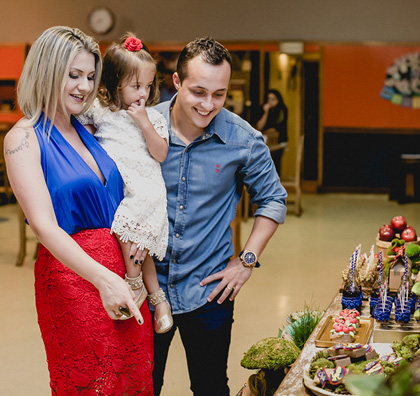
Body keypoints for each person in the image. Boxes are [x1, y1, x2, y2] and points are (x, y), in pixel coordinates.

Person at [4, 26, 152, 394]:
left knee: (133, 379)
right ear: (46, 70)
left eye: (89, 76)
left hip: (123, 276)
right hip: (74, 280)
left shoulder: (88, 127)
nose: (84, 86)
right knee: (93, 383)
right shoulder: (23, 138)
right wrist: (104, 279)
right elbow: (44, 227)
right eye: (73, 75)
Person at [150, 37, 288, 396]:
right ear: (176, 83)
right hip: (145, 288)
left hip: (208, 290)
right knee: (141, 387)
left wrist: (246, 260)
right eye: (198, 91)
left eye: (219, 94)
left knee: (211, 387)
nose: (208, 105)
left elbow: (273, 199)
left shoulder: (243, 139)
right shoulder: (142, 127)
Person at [79, 32, 174, 334]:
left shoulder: (154, 117)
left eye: (148, 86)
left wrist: (144, 122)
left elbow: (160, 153)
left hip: (145, 189)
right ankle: (159, 301)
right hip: (121, 188)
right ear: (114, 82)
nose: (143, 93)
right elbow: (74, 119)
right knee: (139, 242)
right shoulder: (102, 112)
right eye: (135, 86)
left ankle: (134, 287)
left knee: (131, 236)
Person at [256, 88, 288, 175]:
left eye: (273, 99)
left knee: (275, 163)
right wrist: (265, 112)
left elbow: (278, 127)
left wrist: (267, 131)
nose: (270, 101)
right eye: (269, 99)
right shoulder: (263, 109)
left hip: (278, 142)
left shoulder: (282, 109)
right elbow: (259, 126)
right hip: (265, 141)